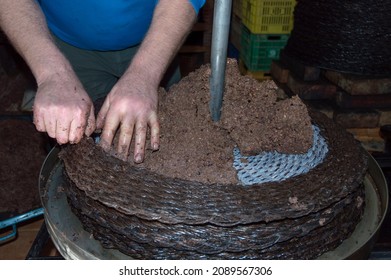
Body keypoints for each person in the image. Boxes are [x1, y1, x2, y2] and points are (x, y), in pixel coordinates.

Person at [0, 0, 205, 163]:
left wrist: (144, 75)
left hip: (157, 41)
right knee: (75, 145)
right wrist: (54, 74)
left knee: (168, 144)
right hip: (66, 48)